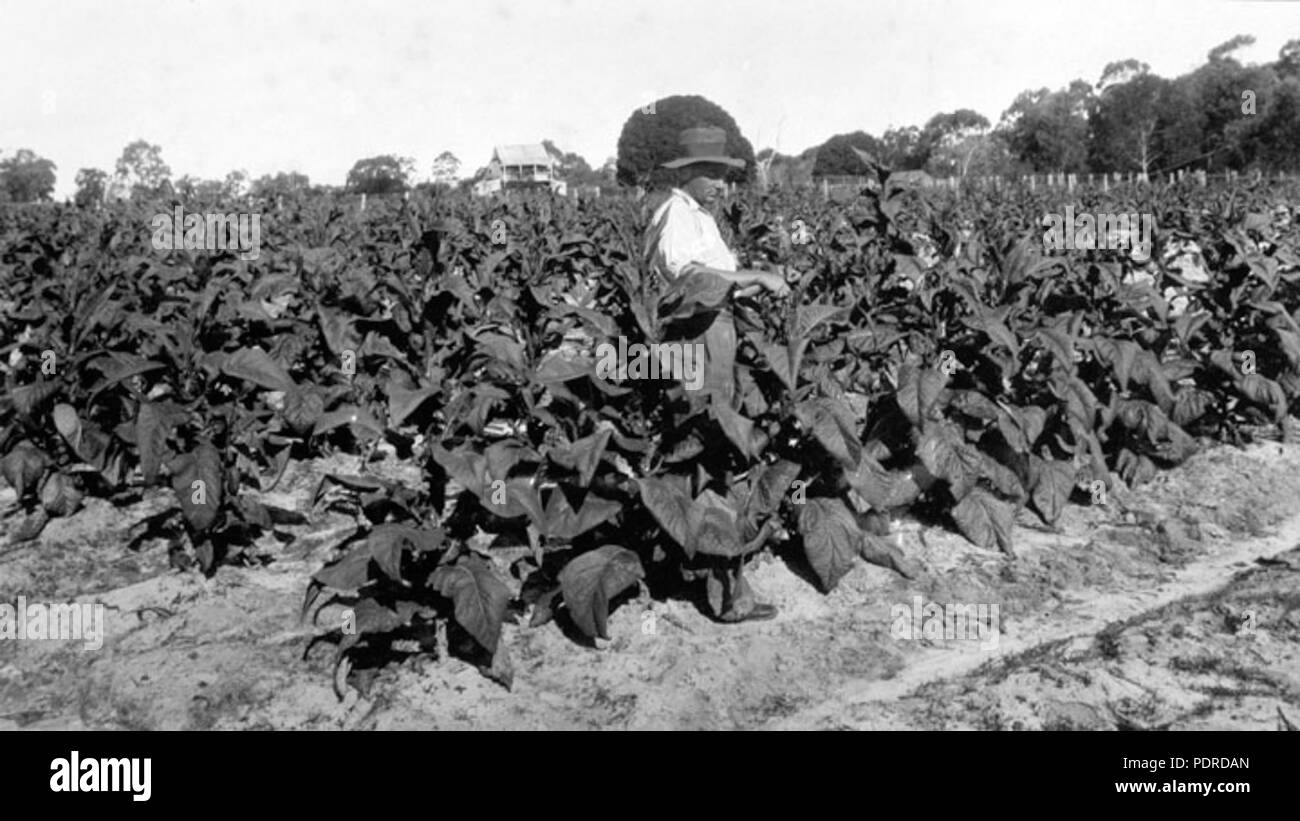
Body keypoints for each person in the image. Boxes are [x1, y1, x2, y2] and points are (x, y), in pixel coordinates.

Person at [643, 126, 792, 622]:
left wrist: (755, 284)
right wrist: (749, 277)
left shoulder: (699, 215)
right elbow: (688, 279)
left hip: (717, 332)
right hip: (698, 339)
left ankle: (710, 573)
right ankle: (727, 592)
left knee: (715, 444)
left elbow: (715, 282)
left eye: (726, 175)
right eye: (715, 174)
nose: (724, 184)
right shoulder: (676, 214)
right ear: (689, 173)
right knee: (713, 446)